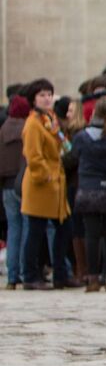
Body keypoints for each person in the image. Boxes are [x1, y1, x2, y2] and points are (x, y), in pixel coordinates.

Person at [20, 80, 74, 290]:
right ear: (34, 98)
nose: (47, 98)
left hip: (56, 184)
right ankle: (30, 276)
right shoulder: (33, 123)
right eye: (42, 95)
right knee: (35, 232)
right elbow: (33, 156)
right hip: (41, 185)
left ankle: (61, 273)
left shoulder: (49, 119)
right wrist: (47, 177)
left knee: (64, 229)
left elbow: (61, 145)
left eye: (49, 95)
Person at [71, 96, 106, 291]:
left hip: (87, 190)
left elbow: (72, 158)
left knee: (91, 235)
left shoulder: (82, 137)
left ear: (93, 113)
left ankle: (92, 278)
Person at [1, 94, 29, 288]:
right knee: (28, 227)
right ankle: (25, 269)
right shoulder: (28, 128)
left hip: (7, 185)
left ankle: (12, 275)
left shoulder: (3, 130)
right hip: (24, 182)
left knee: (14, 229)